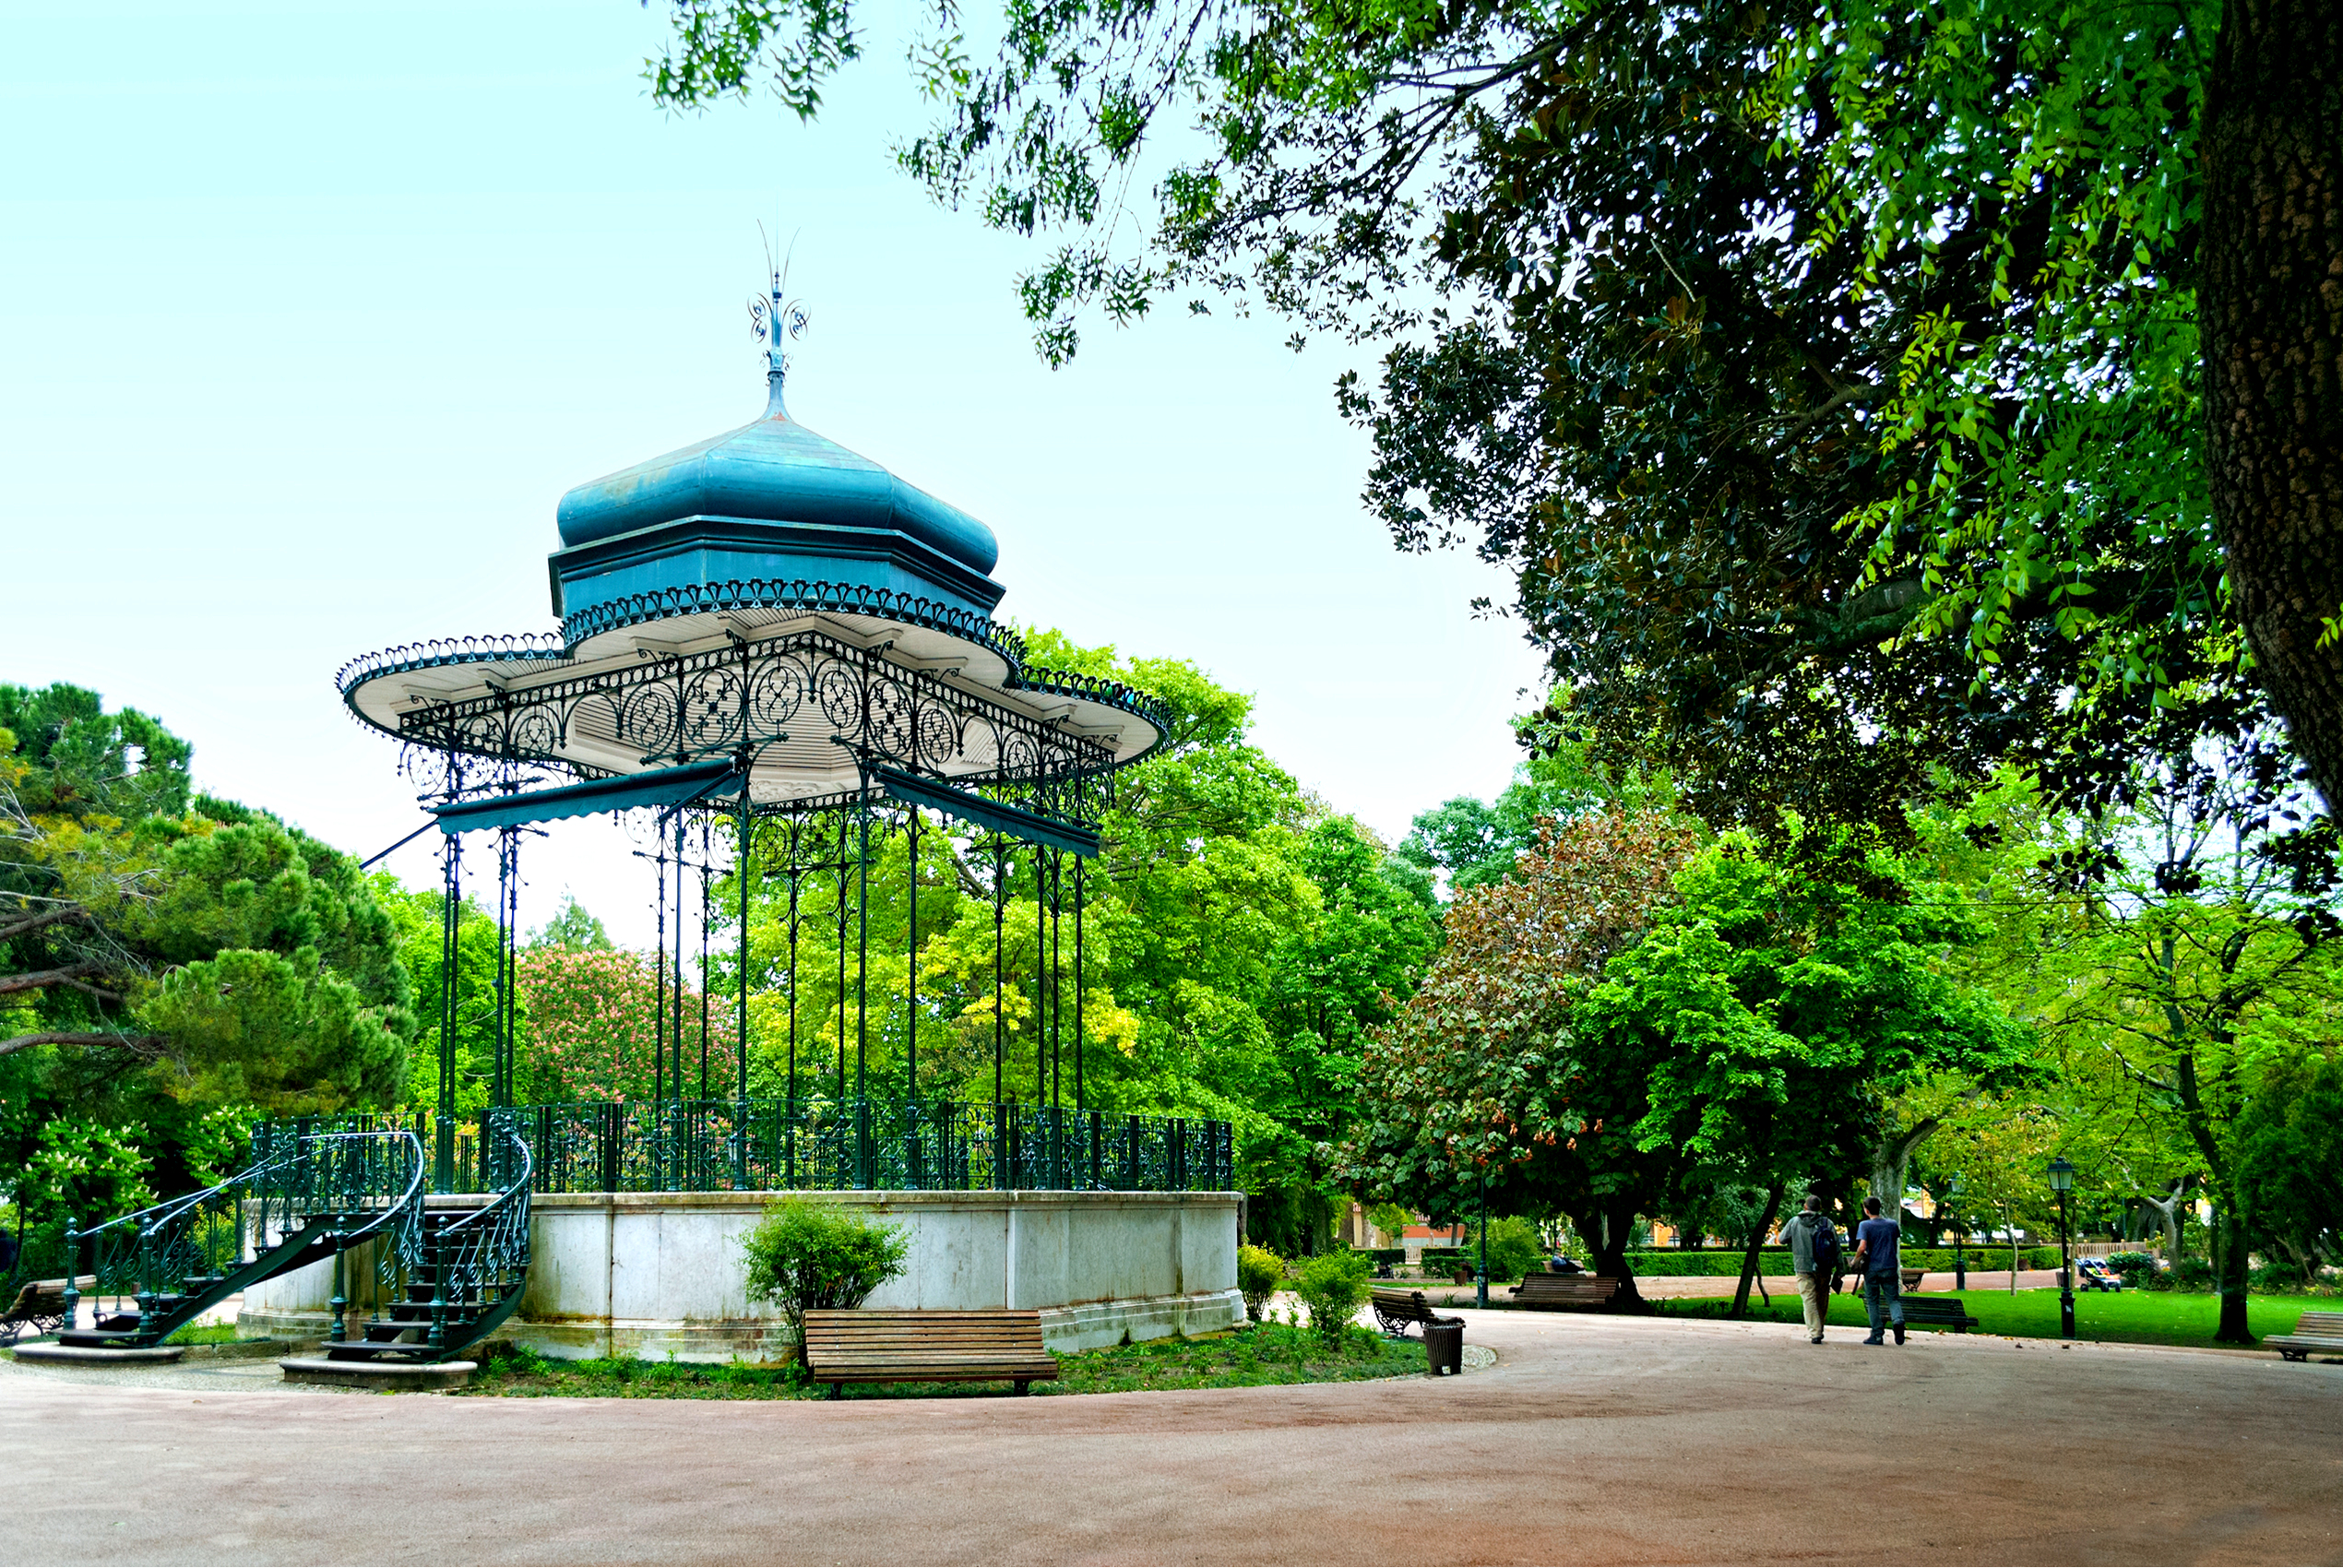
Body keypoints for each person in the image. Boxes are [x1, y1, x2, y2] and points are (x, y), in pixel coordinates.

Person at [1775, 1195, 1840, 1344]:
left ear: (1805, 1207)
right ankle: (1819, 1328)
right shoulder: (1827, 1223)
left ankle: (1815, 1332)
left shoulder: (1794, 1222)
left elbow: (1782, 1239)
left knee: (1808, 1299)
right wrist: (1840, 1270)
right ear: (1820, 1208)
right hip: (1824, 1267)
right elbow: (1836, 1248)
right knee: (1822, 1299)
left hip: (1802, 1266)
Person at [1853, 1195, 1906, 1345]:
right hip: (1890, 1266)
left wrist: (1856, 1260)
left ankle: (1876, 1335)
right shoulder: (1892, 1224)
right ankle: (1898, 1321)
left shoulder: (1865, 1225)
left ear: (1866, 1210)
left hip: (1872, 1269)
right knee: (1893, 1299)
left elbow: (1863, 1247)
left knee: (1873, 1301)